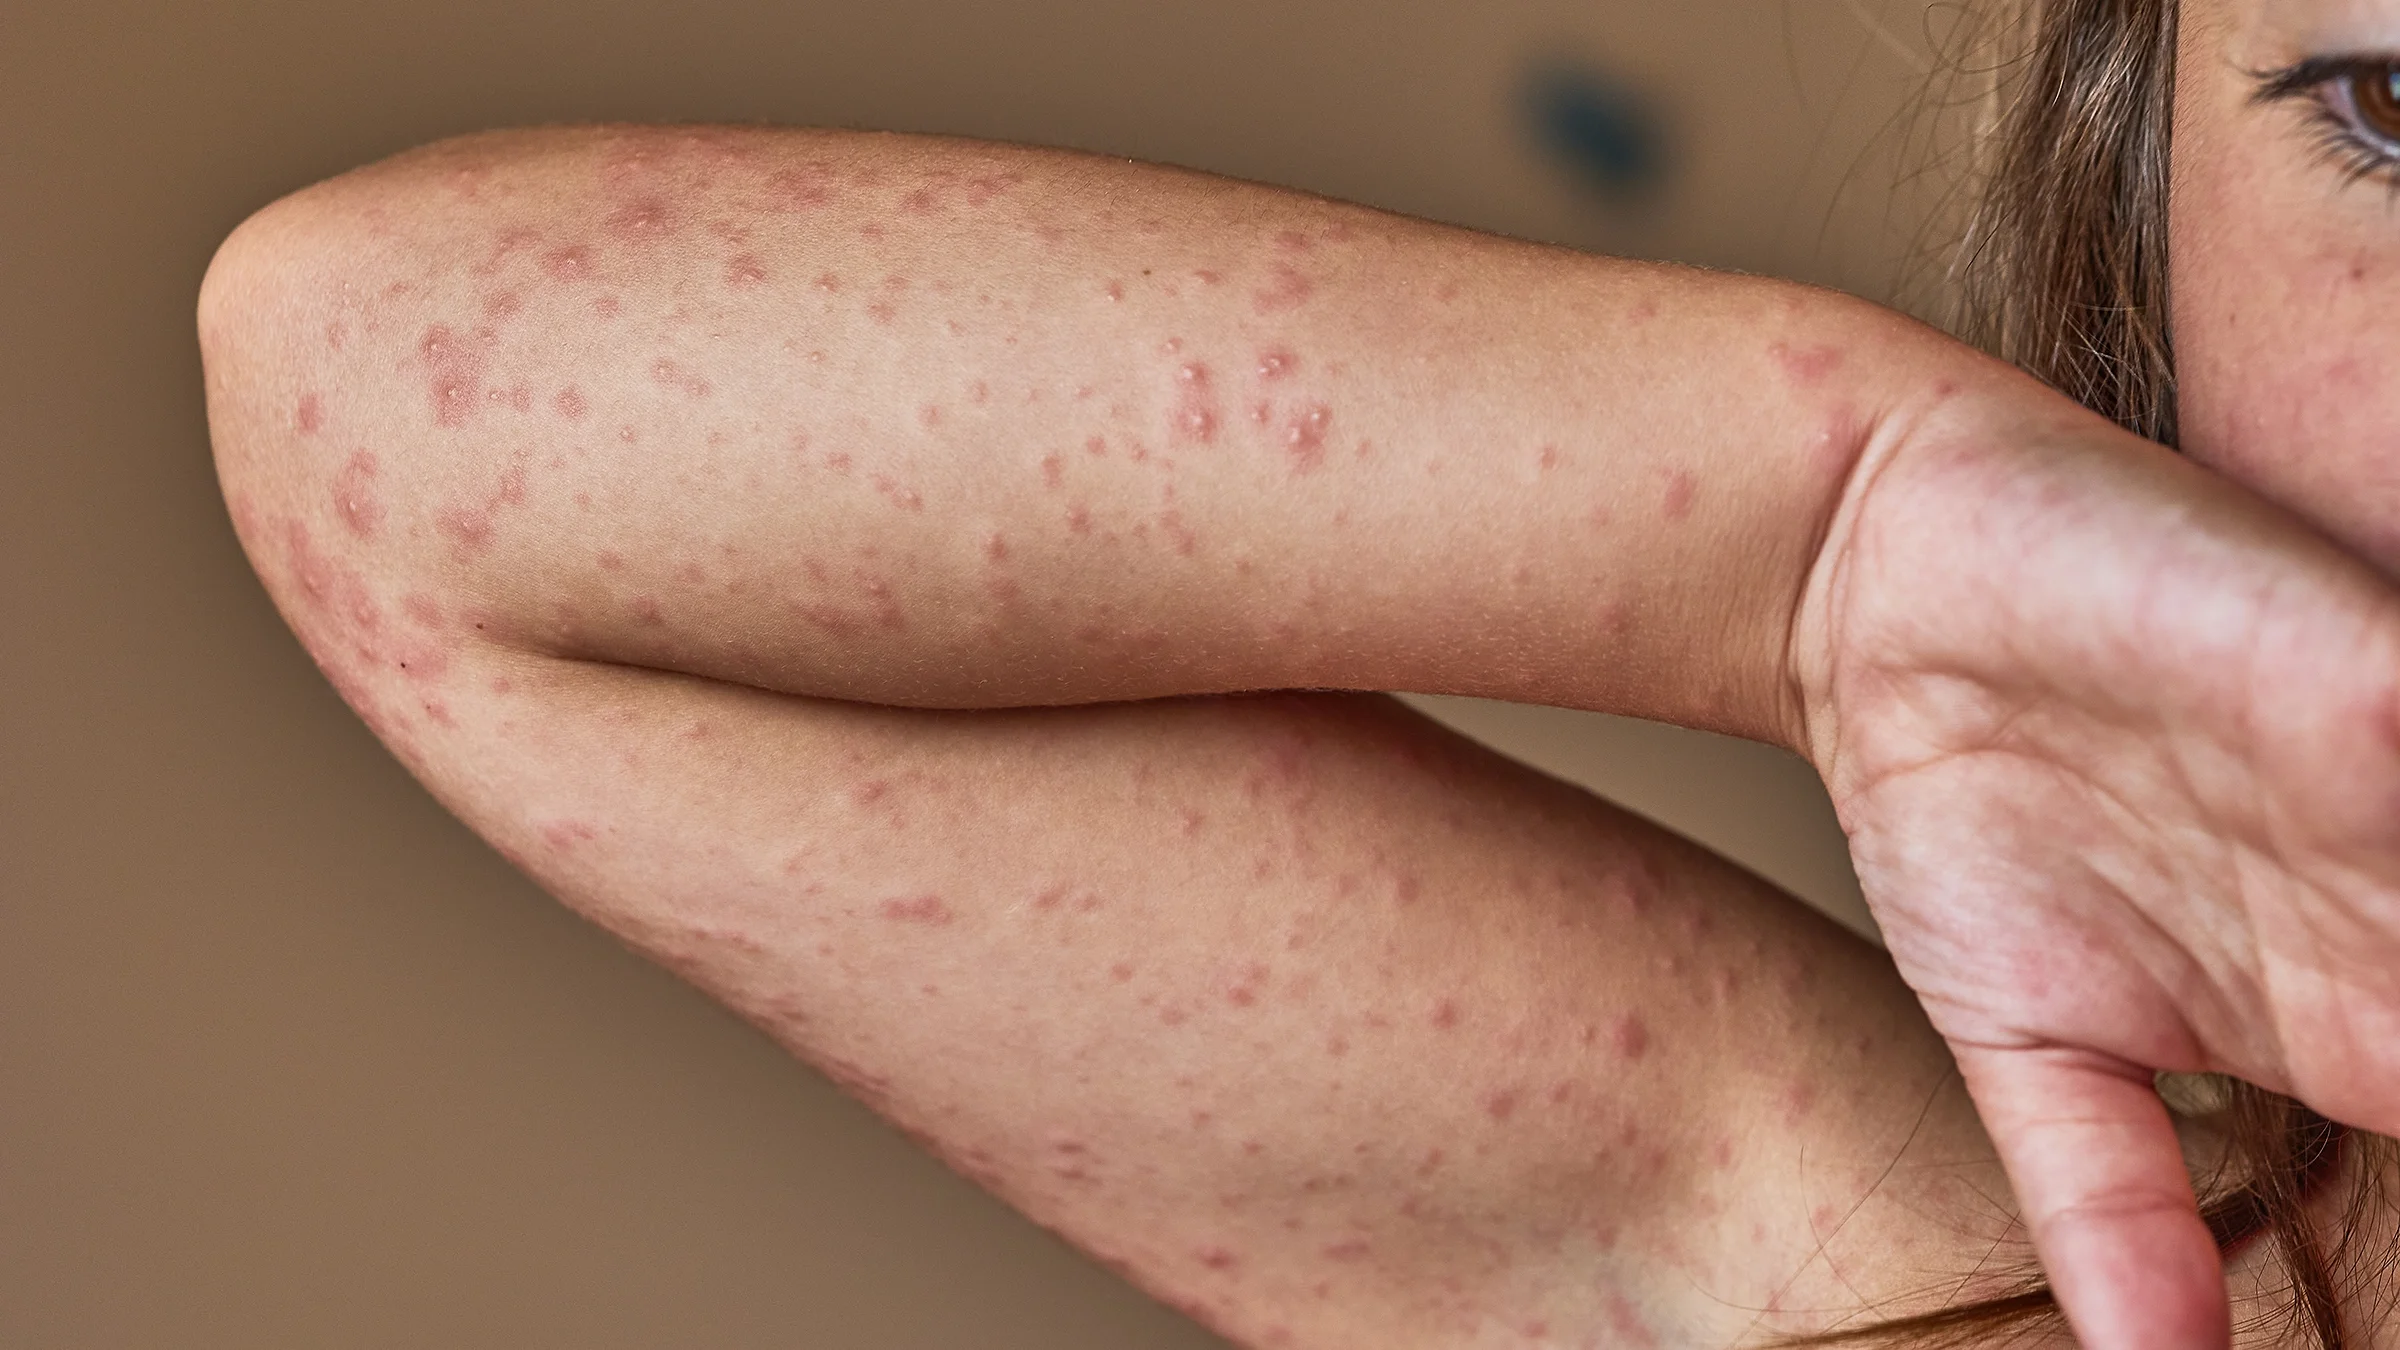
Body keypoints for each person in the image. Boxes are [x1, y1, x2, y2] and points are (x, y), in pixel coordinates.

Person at [189, 0, 2400, 1342]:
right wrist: (1816, 544)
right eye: (2392, 105)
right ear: (2147, 212)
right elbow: (390, 422)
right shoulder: (1929, 1278)